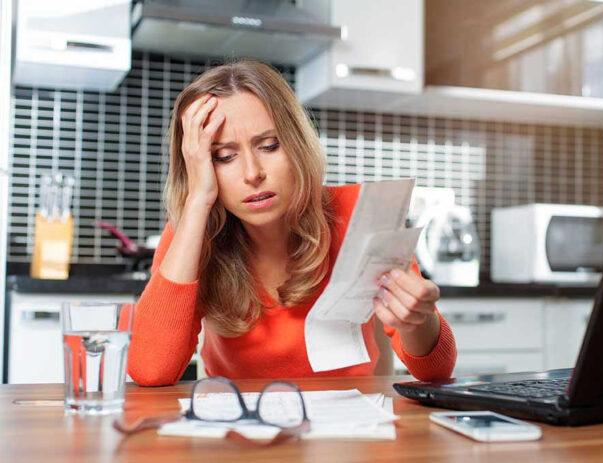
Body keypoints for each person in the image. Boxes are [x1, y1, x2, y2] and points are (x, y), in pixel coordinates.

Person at [128, 58, 456, 385]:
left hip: (346, 428)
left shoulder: (361, 214)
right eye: (224, 156)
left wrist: (417, 321)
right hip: (239, 423)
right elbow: (149, 370)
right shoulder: (192, 233)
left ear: (296, 143)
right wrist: (198, 199)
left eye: (269, 145)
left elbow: (435, 371)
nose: (252, 173)